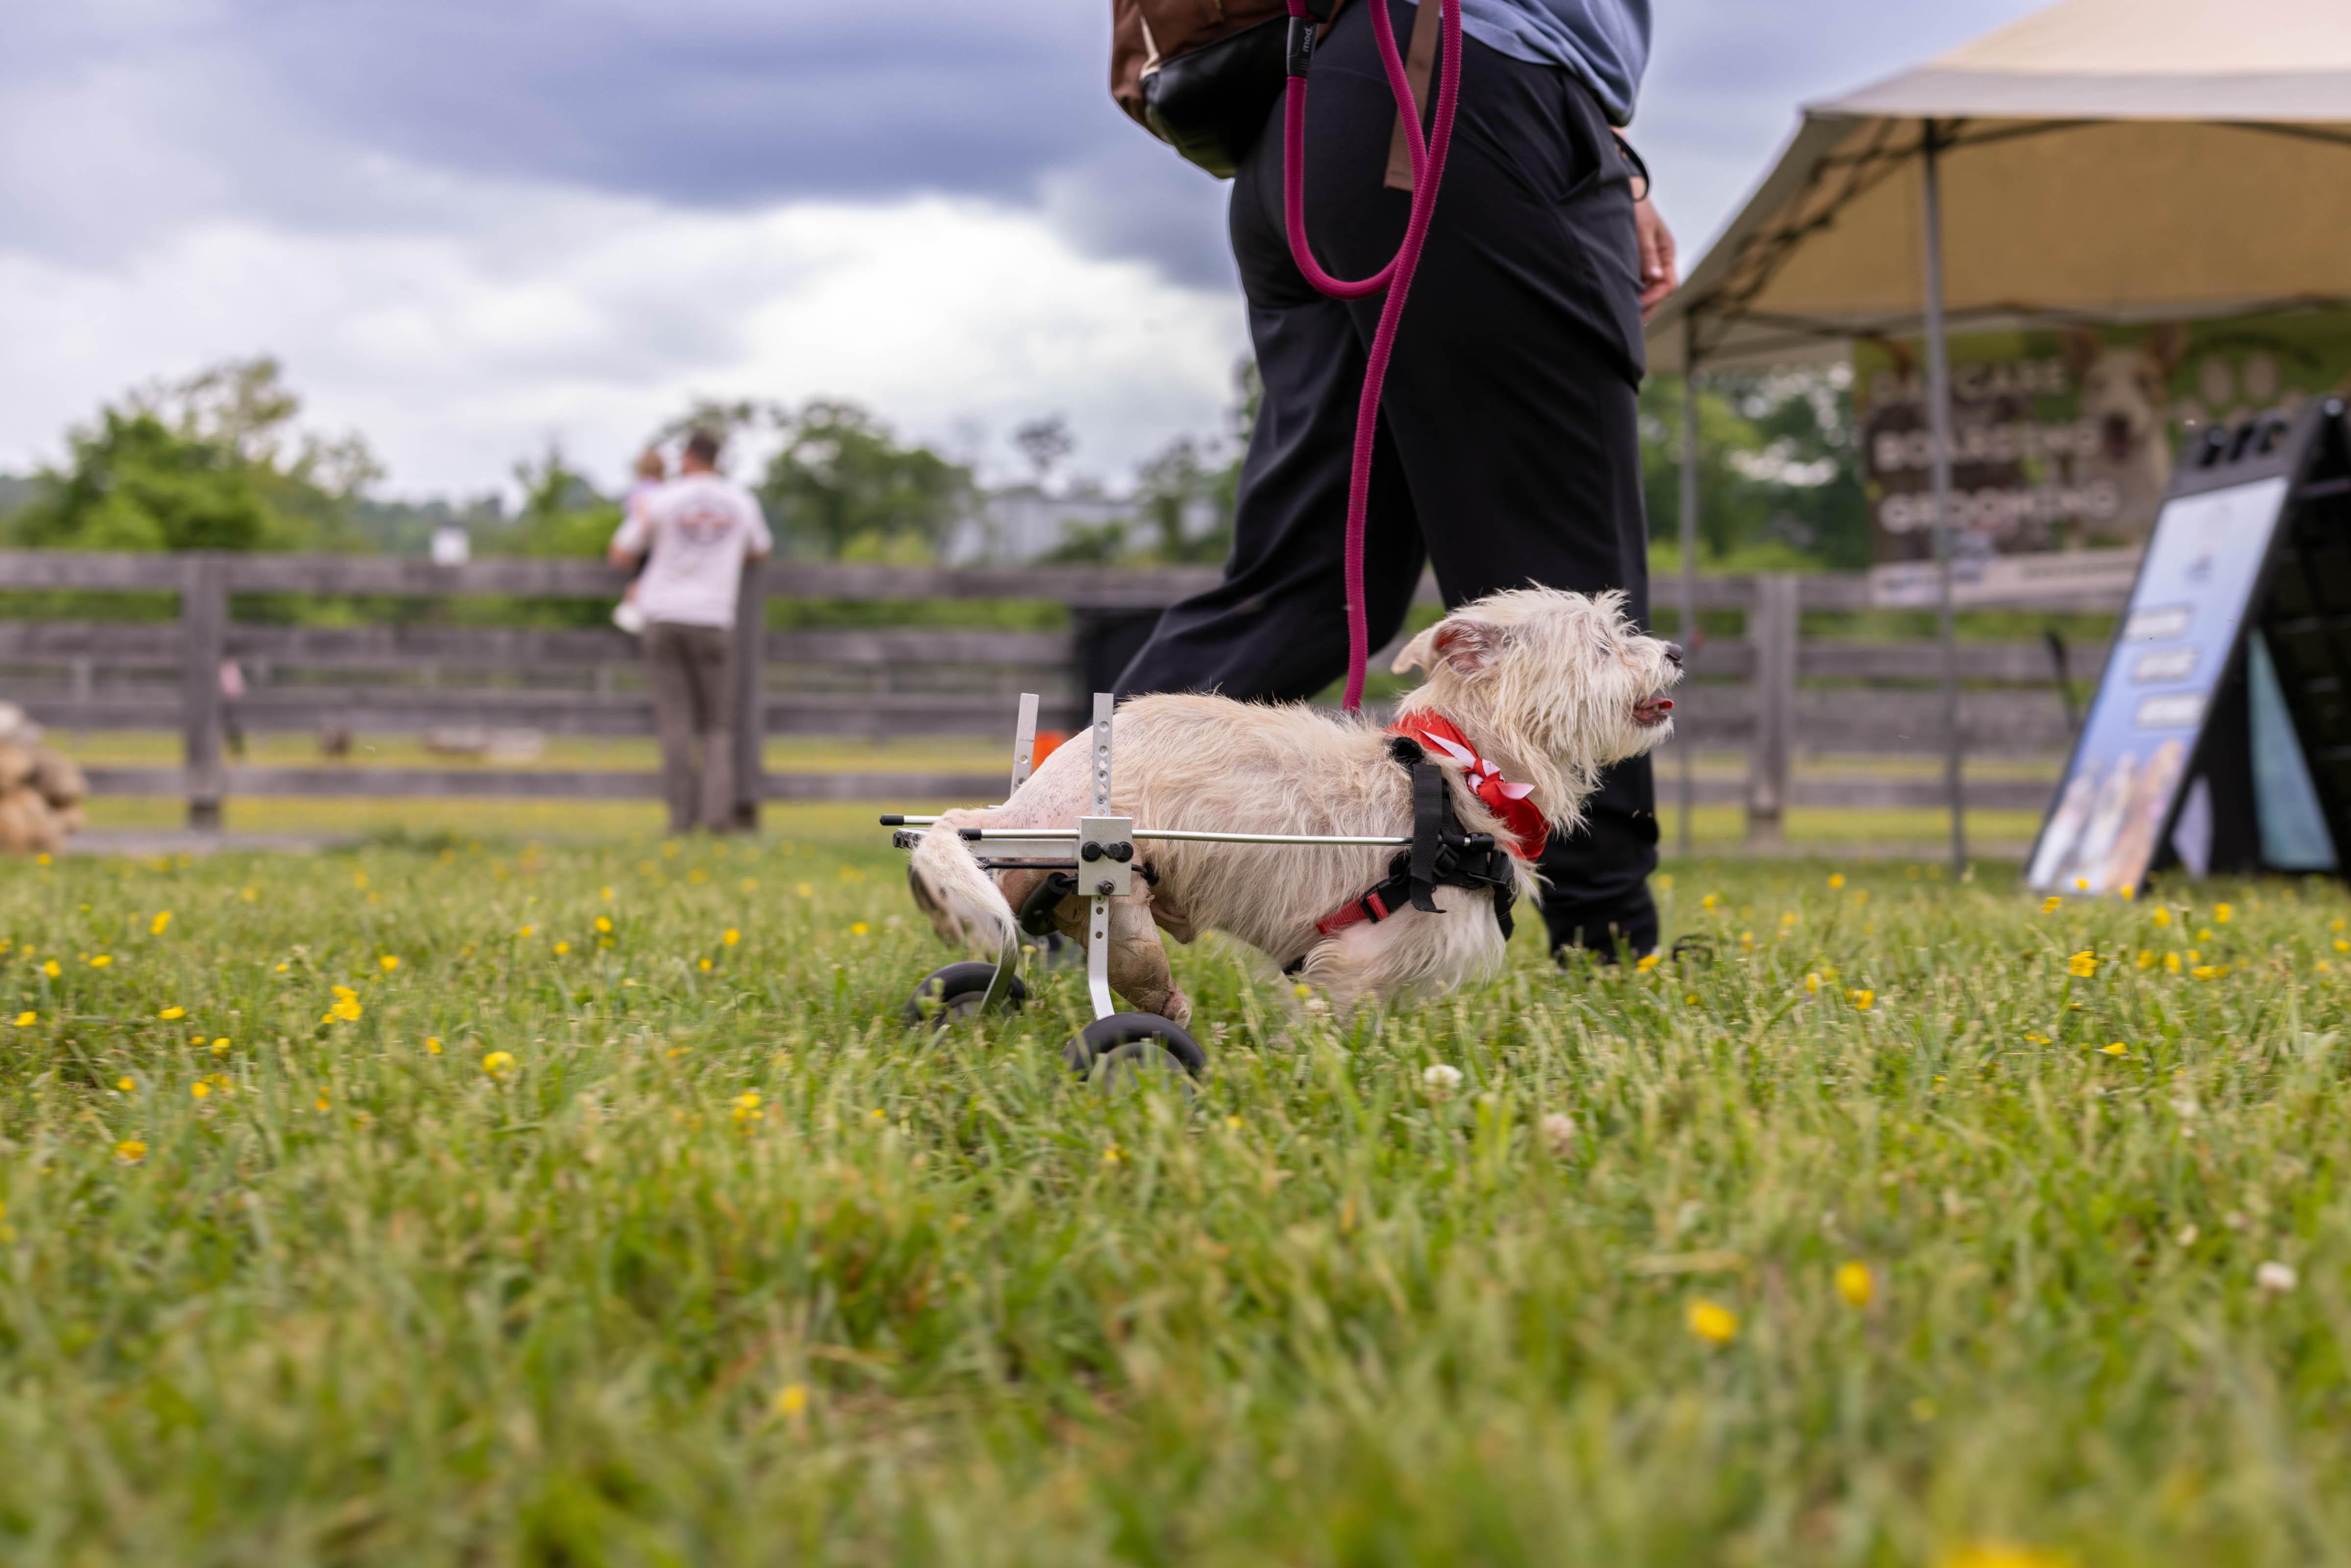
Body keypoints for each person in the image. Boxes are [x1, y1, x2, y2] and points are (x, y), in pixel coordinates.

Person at [1114, 0, 1678, 960]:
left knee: (1308, 583)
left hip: (1314, 128)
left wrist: (1610, 151)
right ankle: (1606, 933)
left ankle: (1047, 856)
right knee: (1563, 563)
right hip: (1457, 97)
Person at [608, 429, 772, 834]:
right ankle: (718, 817)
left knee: (676, 723)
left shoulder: (661, 500)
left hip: (663, 616)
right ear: (718, 458)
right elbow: (760, 549)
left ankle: (680, 819)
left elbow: (621, 552)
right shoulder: (741, 501)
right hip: (715, 618)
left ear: (686, 458)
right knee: (718, 726)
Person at [612, 447, 669, 636]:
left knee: (638, 579)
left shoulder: (636, 493)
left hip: (639, 545)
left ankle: (634, 606)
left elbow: (635, 521)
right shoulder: (665, 492)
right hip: (661, 547)